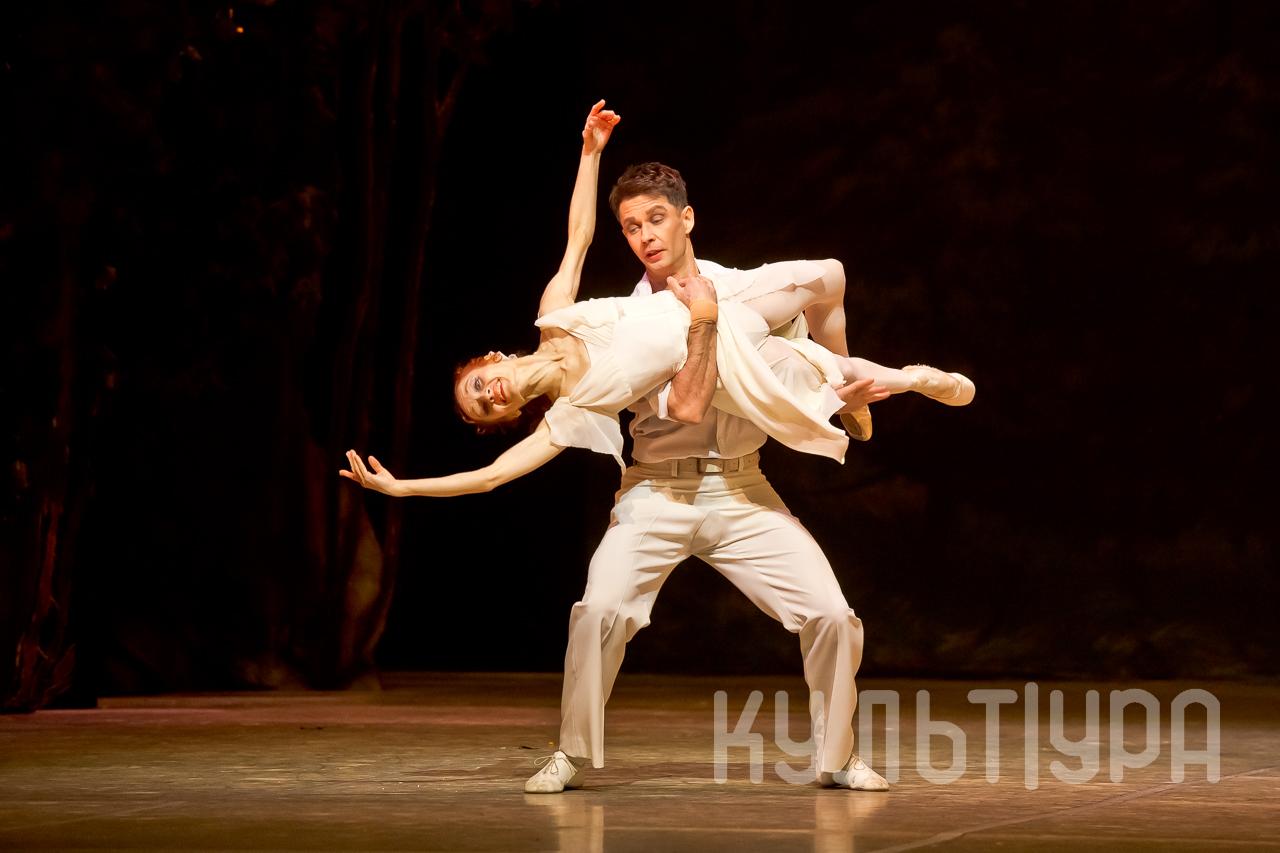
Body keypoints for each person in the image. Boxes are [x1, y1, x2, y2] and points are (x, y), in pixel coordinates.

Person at [341, 102, 974, 793]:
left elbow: (577, 235)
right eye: (485, 406)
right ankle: (571, 752)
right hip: (655, 495)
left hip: (741, 488)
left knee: (831, 614)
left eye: (479, 385)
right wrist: (401, 487)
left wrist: (590, 153)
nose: (489, 394)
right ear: (512, 411)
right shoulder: (574, 408)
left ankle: (838, 754)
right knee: (598, 611)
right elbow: (494, 475)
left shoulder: (581, 312)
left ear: (493, 358)